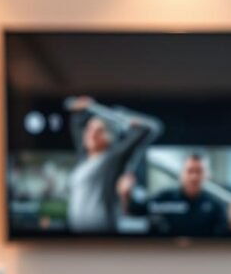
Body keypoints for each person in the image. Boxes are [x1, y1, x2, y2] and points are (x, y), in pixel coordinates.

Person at [64, 96, 162, 233]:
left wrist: (119, 116)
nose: (92, 134)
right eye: (89, 129)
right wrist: (83, 108)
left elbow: (149, 128)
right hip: (76, 235)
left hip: (101, 234)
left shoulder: (111, 160)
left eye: (99, 130)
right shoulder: (84, 160)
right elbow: (77, 123)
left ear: (109, 137)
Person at [118, 153, 231, 236]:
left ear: (207, 176)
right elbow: (134, 210)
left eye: (199, 171)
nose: (194, 177)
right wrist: (125, 195)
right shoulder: (165, 197)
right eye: (190, 171)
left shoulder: (216, 206)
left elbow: (224, 238)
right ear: (181, 174)